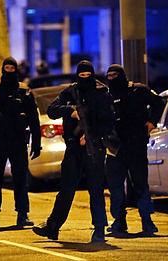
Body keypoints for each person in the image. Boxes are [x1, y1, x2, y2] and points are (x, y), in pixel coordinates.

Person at [33, 60, 115, 242]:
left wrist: (91, 135)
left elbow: (108, 122)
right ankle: (53, 226)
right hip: (73, 147)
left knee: (95, 189)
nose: (85, 79)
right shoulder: (70, 92)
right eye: (82, 75)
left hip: (94, 147)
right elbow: (52, 110)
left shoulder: (101, 93)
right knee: (66, 189)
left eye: (88, 75)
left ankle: (100, 228)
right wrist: (71, 111)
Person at [0, 56, 41, 229]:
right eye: (7, 68)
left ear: (16, 70)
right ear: (3, 69)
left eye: (12, 68)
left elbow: (34, 118)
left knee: (21, 179)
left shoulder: (24, 92)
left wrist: (36, 142)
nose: (9, 71)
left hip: (18, 140)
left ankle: (22, 215)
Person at [104, 64, 164, 235]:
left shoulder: (138, 90)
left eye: (115, 75)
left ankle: (147, 221)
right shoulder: (107, 96)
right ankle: (119, 221)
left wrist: (152, 122)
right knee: (116, 187)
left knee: (140, 185)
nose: (112, 78)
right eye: (109, 75)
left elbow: (158, 102)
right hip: (115, 147)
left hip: (136, 144)